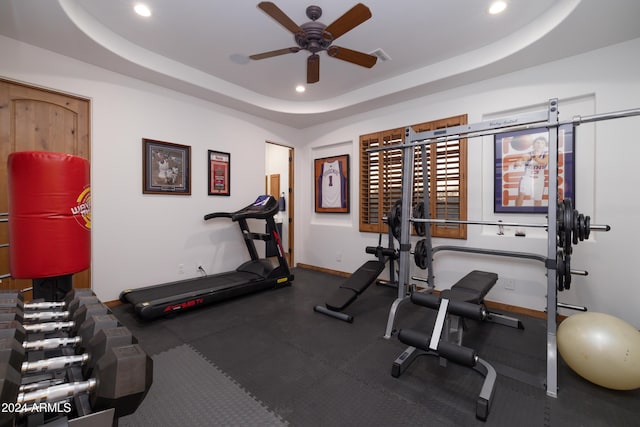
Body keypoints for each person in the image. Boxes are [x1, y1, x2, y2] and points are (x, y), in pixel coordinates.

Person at [514, 136, 549, 206]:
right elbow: (523, 158)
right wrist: (519, 162)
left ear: (545, 145)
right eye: (538, 142)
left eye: (542, 143)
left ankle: (537, 214)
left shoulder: (546, 154)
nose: (539, 144)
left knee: (538, 199)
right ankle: (517, 211)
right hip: (527, 178)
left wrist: (534, 157)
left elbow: (544, 162)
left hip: (539, 180)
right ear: (534, 145)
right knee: (521, 195)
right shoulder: (528, 154)